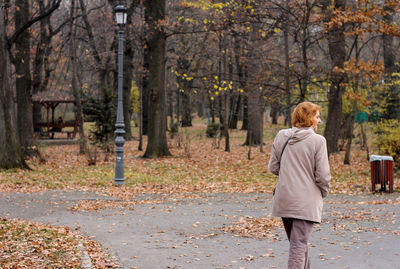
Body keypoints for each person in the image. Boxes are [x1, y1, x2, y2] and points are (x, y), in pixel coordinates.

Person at [268, 102, 331, 269]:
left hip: (284, 198)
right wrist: (323, 192)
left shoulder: (281, 135)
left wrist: (290, 173)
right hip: (305, 202)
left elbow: (273, 167)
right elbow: (323, 176)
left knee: (298, 244)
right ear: (309, 118)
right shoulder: (318, 141)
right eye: (317, 117)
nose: (319, 121)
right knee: (299, 245)